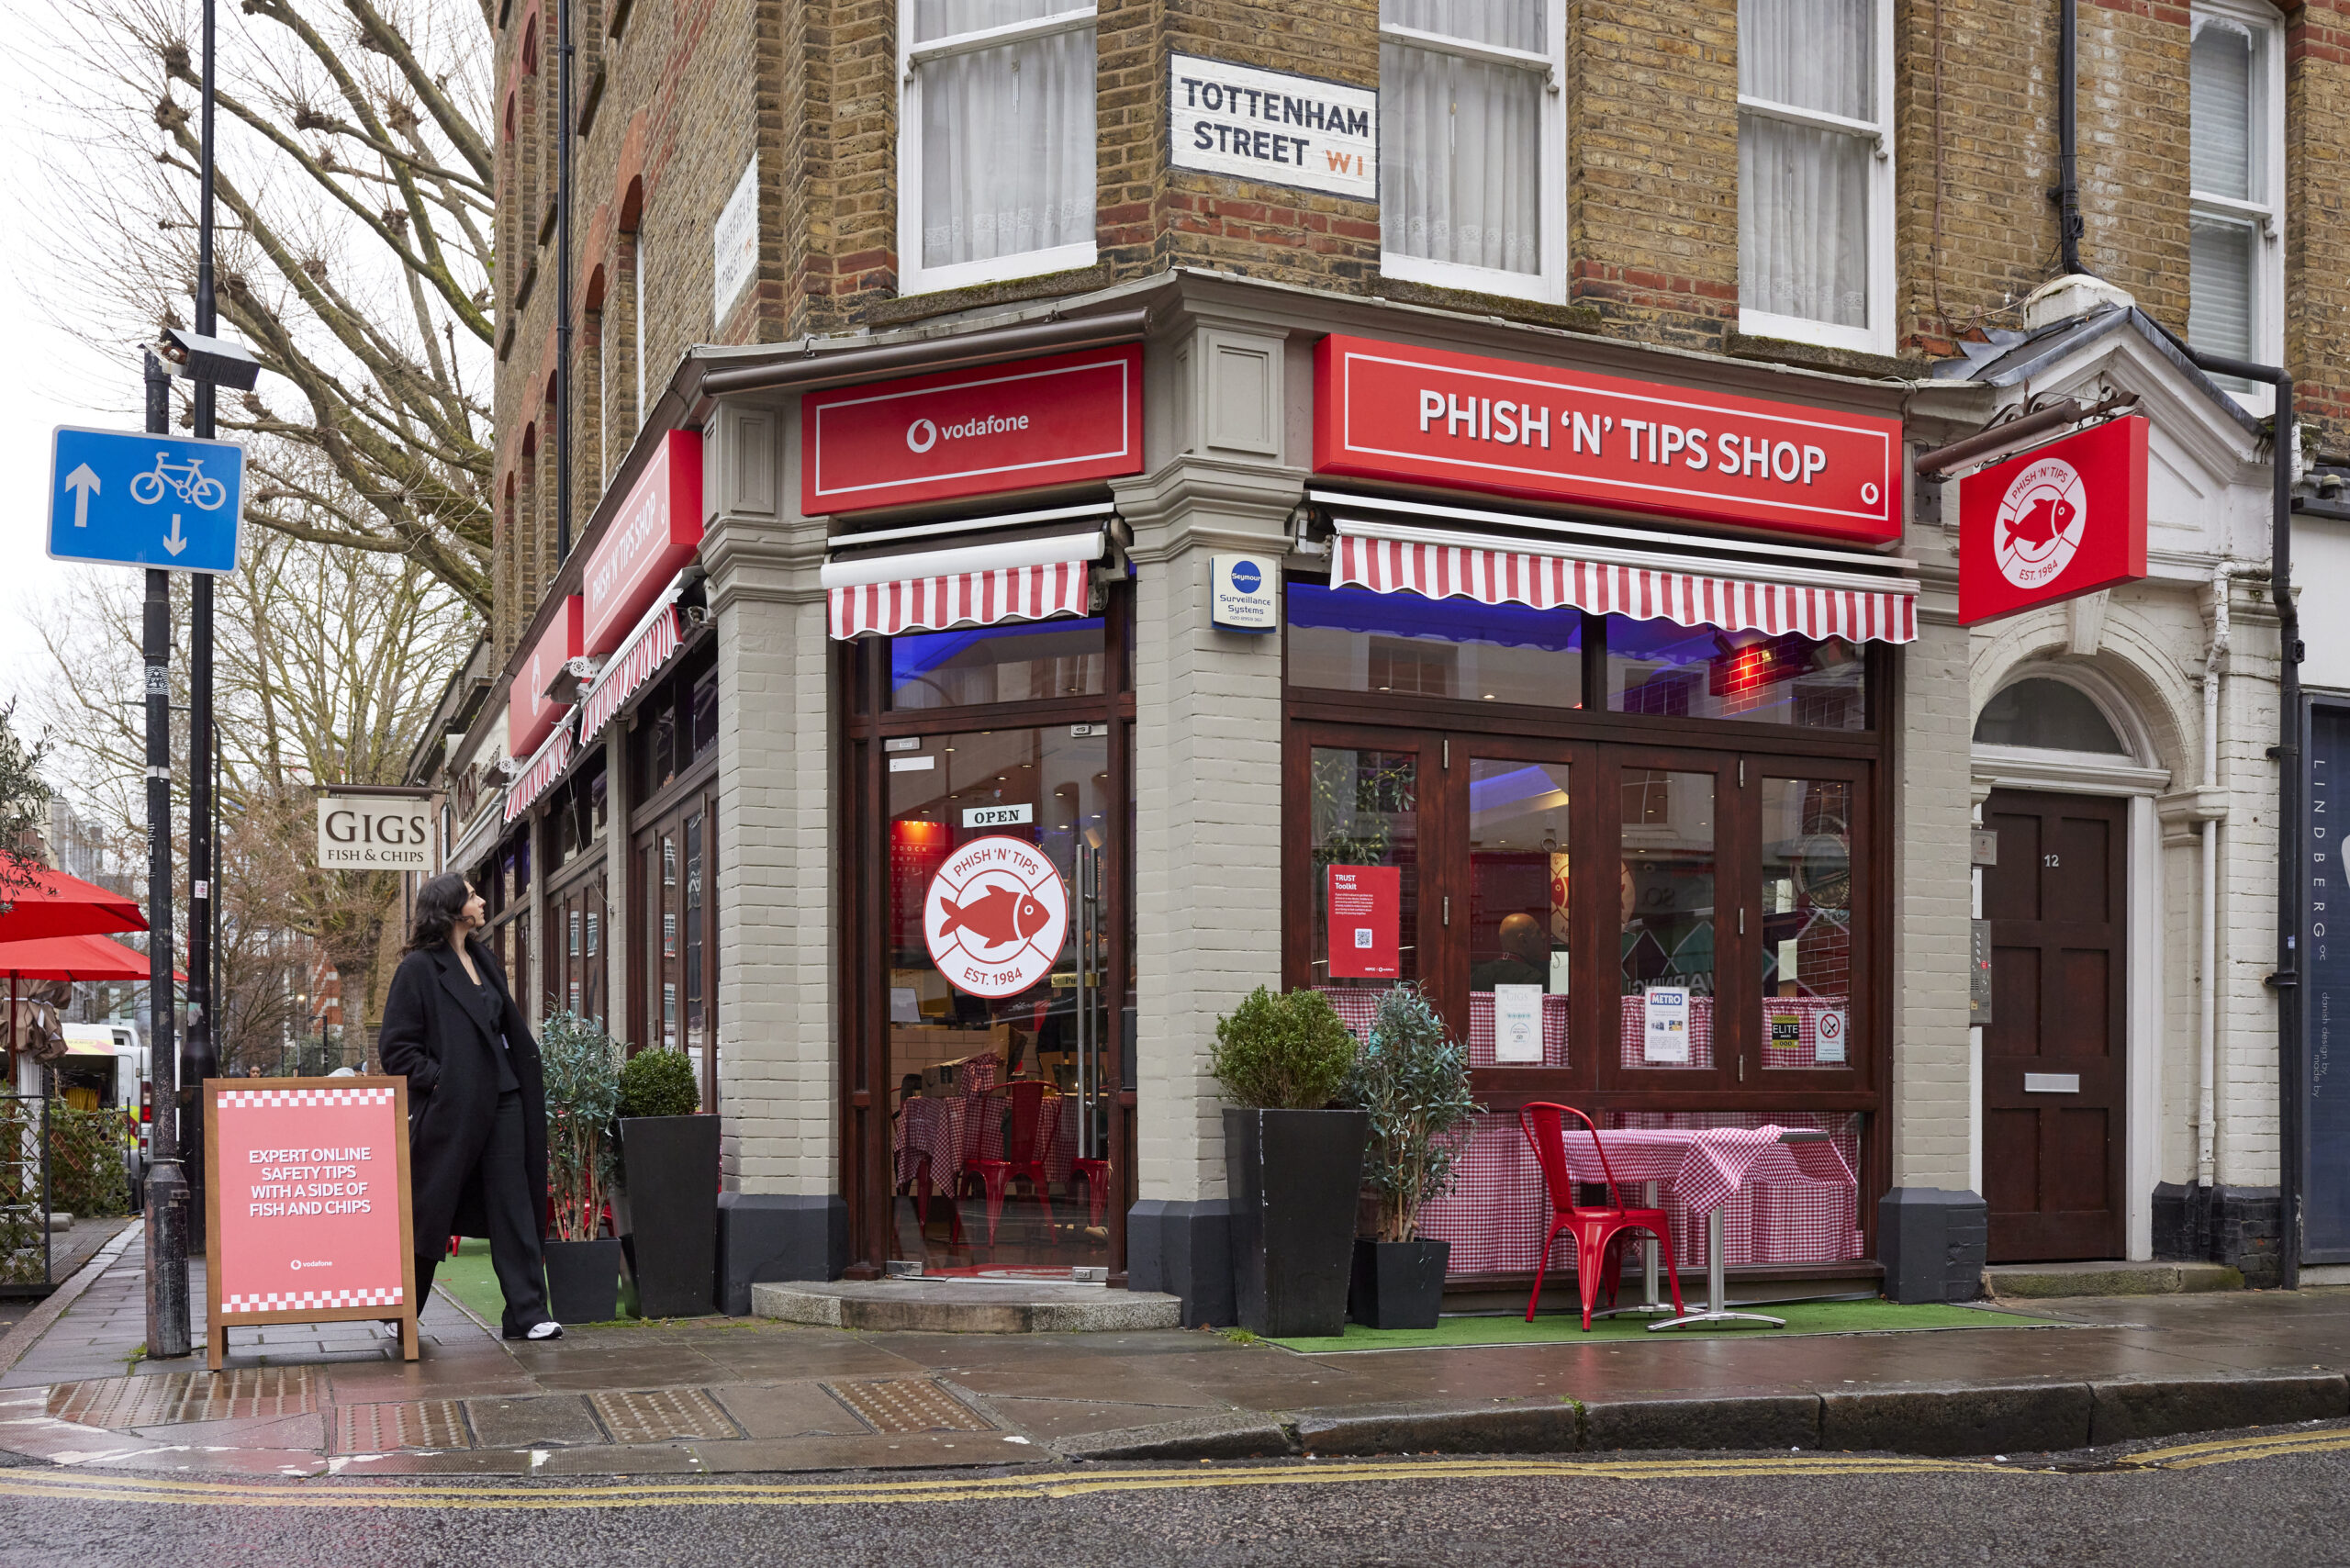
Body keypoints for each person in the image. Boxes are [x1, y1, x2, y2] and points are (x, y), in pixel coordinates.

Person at [377, 873, 562, 1341]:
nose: (481, 901)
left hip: (504, 1100)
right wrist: (442, 1080)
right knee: (430, 1207)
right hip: (453, 1110)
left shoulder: (484, 958)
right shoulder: (418, 969)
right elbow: (397, 1050)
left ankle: (527, 1314)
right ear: (452, 908)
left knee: (513, 1203)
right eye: (473, 895)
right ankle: (403, 1313)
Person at [1470, 911, 1551, 991]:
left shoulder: (1477, 975)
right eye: (1537, 932)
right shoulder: (1534, 978)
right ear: (1524, 941)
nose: (1544, 936)